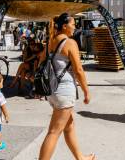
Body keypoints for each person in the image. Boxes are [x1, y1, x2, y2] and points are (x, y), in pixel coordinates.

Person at [39, 13, 93, 160]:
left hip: (52, 90)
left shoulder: (51, 41)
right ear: (64, 26)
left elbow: (41, 62)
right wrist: (86, 92)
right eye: (73, 24)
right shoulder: (70, 43)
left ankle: (80, 157)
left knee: (69, 126)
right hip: (64, 91)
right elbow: (79, 70)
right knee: (54, 132)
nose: (75, 27)